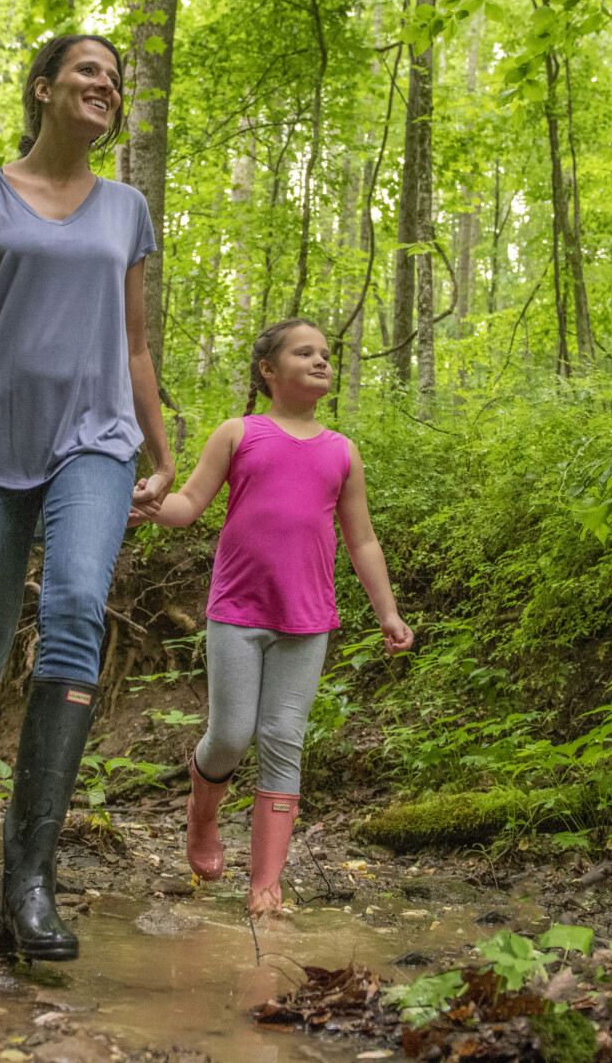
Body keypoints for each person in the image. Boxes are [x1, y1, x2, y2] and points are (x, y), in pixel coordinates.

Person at [0, 34, 174, 961]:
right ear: (44, 88)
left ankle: (28, 880)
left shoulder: (128, 210)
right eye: (88, 71)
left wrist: (161, 444)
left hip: (93, 441)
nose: (105, 84)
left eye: (115, 78)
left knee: (71, 615)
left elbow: (135, 344)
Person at [136, 318, 414, 917]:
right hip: (238, 611)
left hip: (307, 620)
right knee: (233, 734)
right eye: (304, 352)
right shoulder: (240, 434)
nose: (321, 361)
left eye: (326, 354)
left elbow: (362, 541)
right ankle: (202, 811)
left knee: (284, 740)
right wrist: (150, 508)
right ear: (268, 370)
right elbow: (188, 505)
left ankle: (265, 884)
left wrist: (387, 612)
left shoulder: (342, 452)